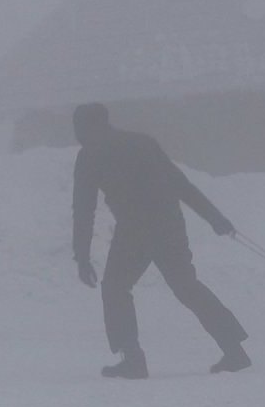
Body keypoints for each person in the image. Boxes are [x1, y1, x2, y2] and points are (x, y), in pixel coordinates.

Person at [71, 102, 250, 379]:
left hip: (134, 230)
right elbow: (180, 184)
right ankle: (234, 350)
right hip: (169, 224)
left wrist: (81, 257)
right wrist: (215, 219)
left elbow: (84, 208)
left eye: (78, 127)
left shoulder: (90, 155)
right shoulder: (142, 143)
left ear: (87, 126)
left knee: (115, 289)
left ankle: (133, 359)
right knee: (187, 287)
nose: (76, 133)